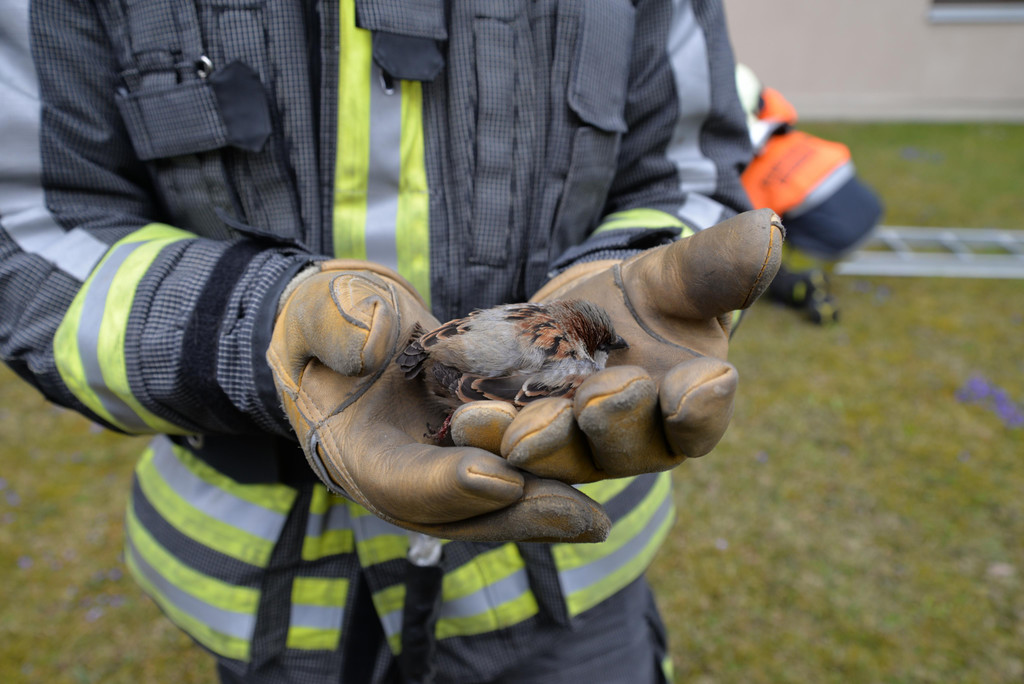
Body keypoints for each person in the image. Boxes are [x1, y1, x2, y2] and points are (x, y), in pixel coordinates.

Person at [0, 1, 781, 682]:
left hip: (570, 589)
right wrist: (257, 329)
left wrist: (634, 271)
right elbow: (30, 228)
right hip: (271, 595)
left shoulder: (564, 352)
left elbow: (688, 175)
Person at [735, 63, 884, 324]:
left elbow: (748, 225)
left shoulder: (753, 177)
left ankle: (801, 284)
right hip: (871, 207)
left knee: (756, 246)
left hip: (837, 238)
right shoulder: (791, 137)